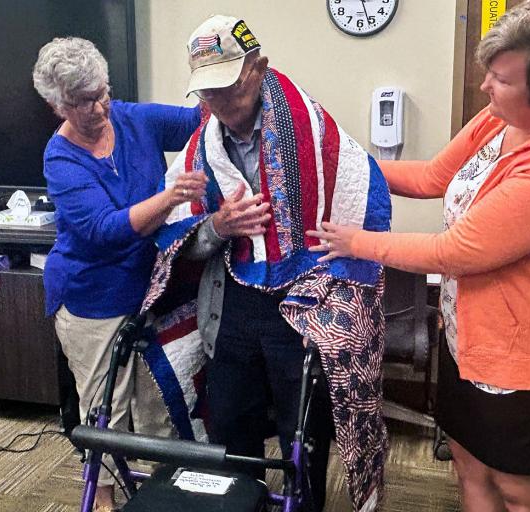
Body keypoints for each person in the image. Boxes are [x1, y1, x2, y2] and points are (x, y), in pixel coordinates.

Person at [308, 1, 530, 510]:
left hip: (524, 360)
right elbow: (431, 178)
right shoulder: (498, 122)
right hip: (467, 337)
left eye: (500, 80)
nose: (485, 88)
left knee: (520, 489)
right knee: (470, 468)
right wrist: (340, 160)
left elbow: (456, 252)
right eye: (488, 73)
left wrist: (353, 241)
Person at [138, 16, 392, 512]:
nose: (218, 104)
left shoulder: (313, 132)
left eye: (228, 88)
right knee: (231, 424)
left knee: (303, 433)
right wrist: (218, 226)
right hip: (234, 301)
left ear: (258, 69)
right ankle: (244, 504)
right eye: (207, 93)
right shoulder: (200, 149)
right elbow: (175, 238)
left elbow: (365, 197)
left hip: (303, 302)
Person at [31, 36, 205, 512]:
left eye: (102, 91)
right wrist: (170, 196)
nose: (100, 105)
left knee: (159, 401)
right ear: (58, 105)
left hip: (150, 289)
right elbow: (105, 230)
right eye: (84, 100)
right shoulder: (61, 157)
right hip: (91, 297)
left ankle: (161, 495)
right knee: (106, 408)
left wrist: (223, 82)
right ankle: (103, 500)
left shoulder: (132, 117)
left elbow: (201, 120)